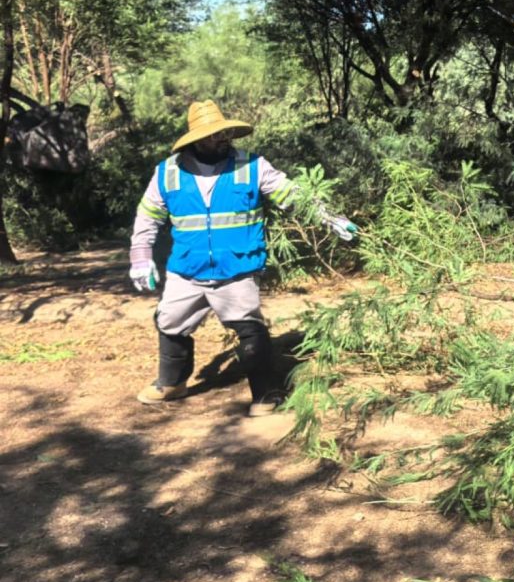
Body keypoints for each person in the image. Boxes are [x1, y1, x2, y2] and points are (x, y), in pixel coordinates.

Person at [129, 100, 357, 417]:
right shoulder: (167, 173)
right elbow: (147, 217)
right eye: (213, 135)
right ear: (195, 139)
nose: (222, 139)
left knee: (249, 328)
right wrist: (140, 256)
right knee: (170, 322)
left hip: (236, 270)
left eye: (225, 133)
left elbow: (293, 196)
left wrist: (330, 217)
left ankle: (266, 395)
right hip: (187, 270)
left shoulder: (251, 166)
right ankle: (172, 382)